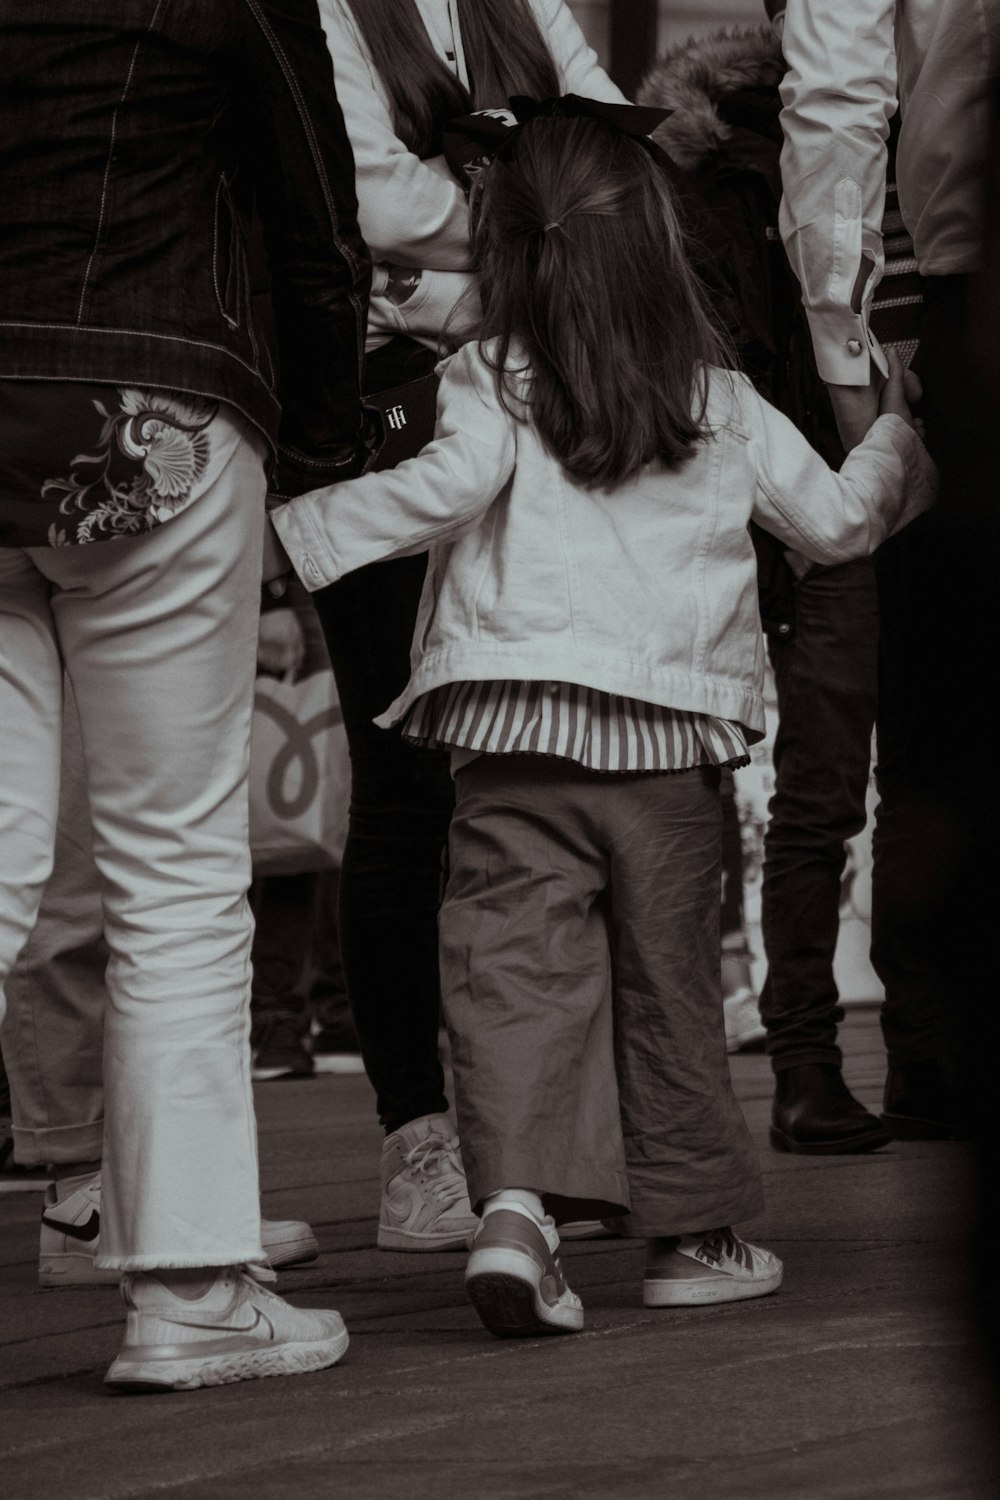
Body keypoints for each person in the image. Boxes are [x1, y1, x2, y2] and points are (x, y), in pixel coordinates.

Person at [265, 103, 935, 1336]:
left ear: (509, 256)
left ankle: (515, 1215)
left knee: (511, 977)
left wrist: (291, 536)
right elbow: (838, 525)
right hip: (665, 754)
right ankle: (692, 1238)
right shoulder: (719, 401)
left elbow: (442, 490)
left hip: (508, 739)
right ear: (659, 248)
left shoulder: (484, 376)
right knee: (668, 985)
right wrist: (901, 429)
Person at [0, 1, 373, 1391]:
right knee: (174, 860)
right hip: (148, 401)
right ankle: (192, 1292)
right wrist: (325, 443)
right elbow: (313, 216)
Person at [309, 0, 628, 1252]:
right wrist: (546, 232)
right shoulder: (327, 8)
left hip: (542, 399)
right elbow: (371, 200)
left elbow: (611, 147)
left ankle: (544, 1141)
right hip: (381, 413)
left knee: (543, 766)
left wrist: (461, 250)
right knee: (402, 780)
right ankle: (417, 1139)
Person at [639, 3, 891, 1153]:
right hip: (805, 484)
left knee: (745, 794)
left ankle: (764, 1071)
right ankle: (797, 1064)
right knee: (807, 795)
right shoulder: (710, 176)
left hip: (745, 502)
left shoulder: (679, 180)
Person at [777, 0, 1000, 1138]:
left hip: (952, 306)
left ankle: (933, 1048)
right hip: (952, 299)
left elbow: (835, 102)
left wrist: (845, 354)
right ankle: (933, 1045)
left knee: (934, 709)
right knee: (936, 708)